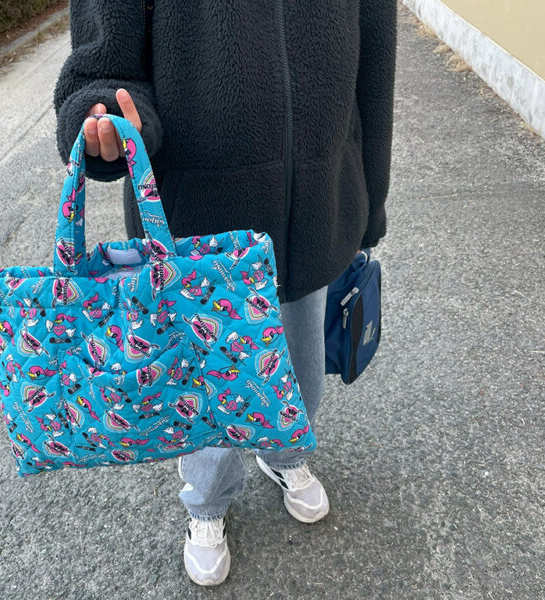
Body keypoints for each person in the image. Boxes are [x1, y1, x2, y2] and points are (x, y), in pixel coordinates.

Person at [54, 0, 396, 586]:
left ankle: (284, 451)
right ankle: (206, 501)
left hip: (317, 196)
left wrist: (370, 198)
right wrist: (105, 116)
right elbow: (102, 62)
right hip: (199, 207)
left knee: (301, 357)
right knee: (205, 379)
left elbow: (375, 57)